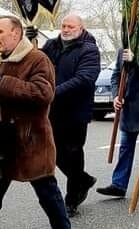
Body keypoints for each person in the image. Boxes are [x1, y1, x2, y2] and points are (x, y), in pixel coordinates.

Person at [0, 15, 69, 229]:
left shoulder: (37, 59)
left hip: (30, 141)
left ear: (16, 32)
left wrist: (4, 84)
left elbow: (43, 94)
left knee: (49, 197)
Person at [41, 14, 100, 217]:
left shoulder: (89, 50)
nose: (66, 29)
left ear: (81, 28)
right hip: (52, 111)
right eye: (63, 26)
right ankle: (83, 180)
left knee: (73, 154)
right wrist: (29, 42)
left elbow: (84, 79)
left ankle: (72, 199)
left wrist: (53, 92)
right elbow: (37, 63)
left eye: (70, 26)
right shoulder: (51, 45)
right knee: (53, 152)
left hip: (76, 111)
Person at [95, 44, 139, 199]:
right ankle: (118, 185)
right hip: (129, 106)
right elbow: (116, 75)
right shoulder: (124, 49)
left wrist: (136, 60)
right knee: (125, 147)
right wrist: (116, 95)